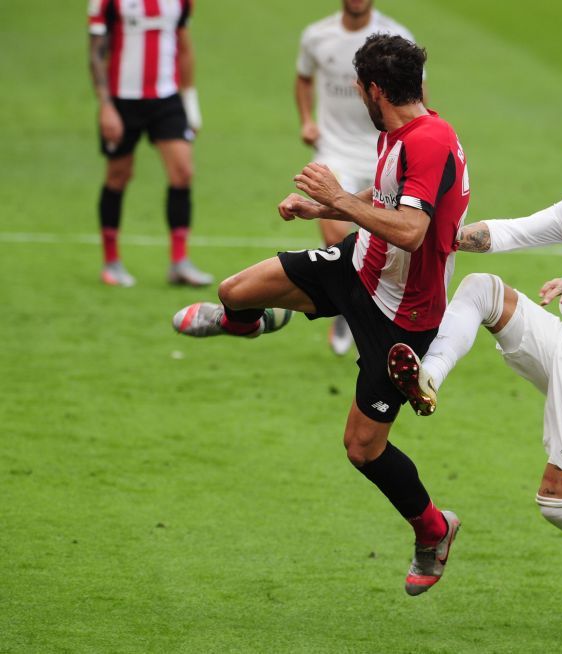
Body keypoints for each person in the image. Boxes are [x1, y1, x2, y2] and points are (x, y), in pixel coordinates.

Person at [173, 35, 470, 596]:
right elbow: (387, 197)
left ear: (375, 90)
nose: (359, 96)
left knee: (363, 449)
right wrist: (325, 207)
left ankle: (434, 530)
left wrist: (336, 194)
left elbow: (411, 230)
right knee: (235, 290)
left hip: (401, 317)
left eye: (360, 88)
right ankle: (249, 321)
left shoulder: (428, 141)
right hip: (356, 265)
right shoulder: (402, 131)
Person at [387, 104, 562, 632]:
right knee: (482, 289)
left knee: (558, 503)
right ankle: (429, 378)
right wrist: (436, 234)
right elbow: (509, 232)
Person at [296, 0, 418, 355]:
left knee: (393, 236)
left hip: (385, 148)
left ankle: (355, 298)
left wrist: (418, 138)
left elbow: (417, 94)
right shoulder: (317, 35)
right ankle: (348, 306)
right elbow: (303, 80)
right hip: (335, 149)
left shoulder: (396, 37)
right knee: (335, 229)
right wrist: (306, 119)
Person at [88, 0, 212, 287]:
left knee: (183, 173)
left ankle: (179, 262)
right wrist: (106, 106)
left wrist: (190, 103)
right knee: (118, 176)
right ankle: (111, 261)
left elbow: (184, 46)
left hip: (166, 100)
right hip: (122, 101)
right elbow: (96, 52)